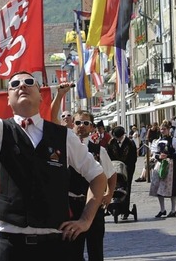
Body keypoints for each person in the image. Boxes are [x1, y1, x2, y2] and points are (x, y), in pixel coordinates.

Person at [0, 25, 106, 259]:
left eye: (29, 82)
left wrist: (86, 220)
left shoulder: (63, 135)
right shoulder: (1, 131)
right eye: (14, 85)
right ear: (8, 99)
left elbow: (98, 178)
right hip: (13, 246)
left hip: (56, 245)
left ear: (40, 95)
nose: (22, 86)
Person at [66, 110, 116, 261]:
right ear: (72, 124)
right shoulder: (65, 148)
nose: (82, 126)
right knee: (73, 250)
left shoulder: (99, 150)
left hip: (94, 205)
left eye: (86, 123)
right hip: (71, 204)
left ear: (92, 127)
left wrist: (109, 194)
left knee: (95, 250)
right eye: (78, 122)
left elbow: (111, 174)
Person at [149, 120, 176, 218]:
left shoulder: (174, 140)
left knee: (172, 188)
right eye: (161, 129)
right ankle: (162, 209)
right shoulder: (157, 141)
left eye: (164, 129)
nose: (162, 131)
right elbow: (154, 154)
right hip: (160, 165)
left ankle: (173, 210)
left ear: (168, 130)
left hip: (171, 165)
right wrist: (158, 157)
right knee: (158, 187)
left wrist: (170, 155)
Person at [106, 126, 138, 220]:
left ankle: (125, 210)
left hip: (127, 170)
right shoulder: (111, 143)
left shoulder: (130, 143)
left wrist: (128, 167)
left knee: (126, 188)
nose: (117, 139)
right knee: (114, 187)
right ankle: (114, 207)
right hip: (114, 169)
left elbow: (133, 158)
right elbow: (108, 155)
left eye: (118, 137)